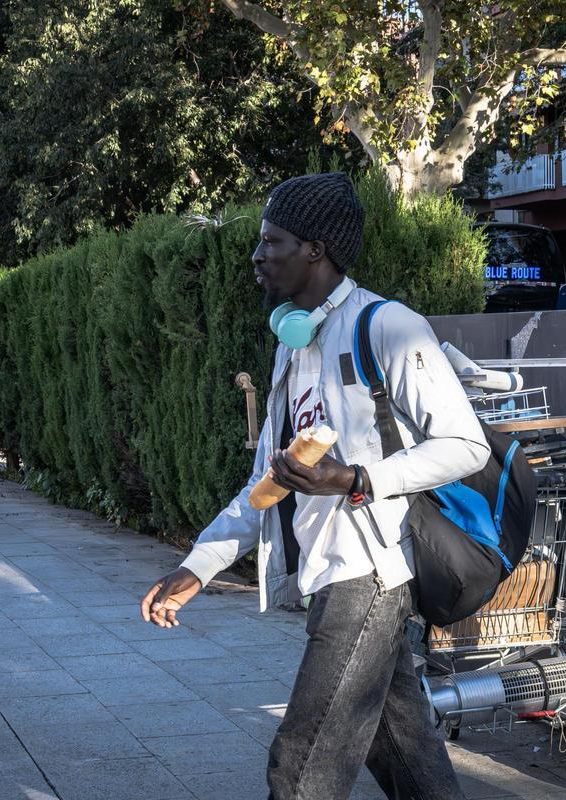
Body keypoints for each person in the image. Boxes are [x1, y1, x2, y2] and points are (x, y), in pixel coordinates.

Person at [140, 172, 488, 799]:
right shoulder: (294, 348)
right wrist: (202, 564)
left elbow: (465, 446)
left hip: (371, 574)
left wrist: (356, 478)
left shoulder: (387, 326)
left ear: (314, 250)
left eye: (271, 241)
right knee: (411, 762)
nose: (256, 255)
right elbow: (266, 481)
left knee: (302, 768)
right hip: (329, 577)